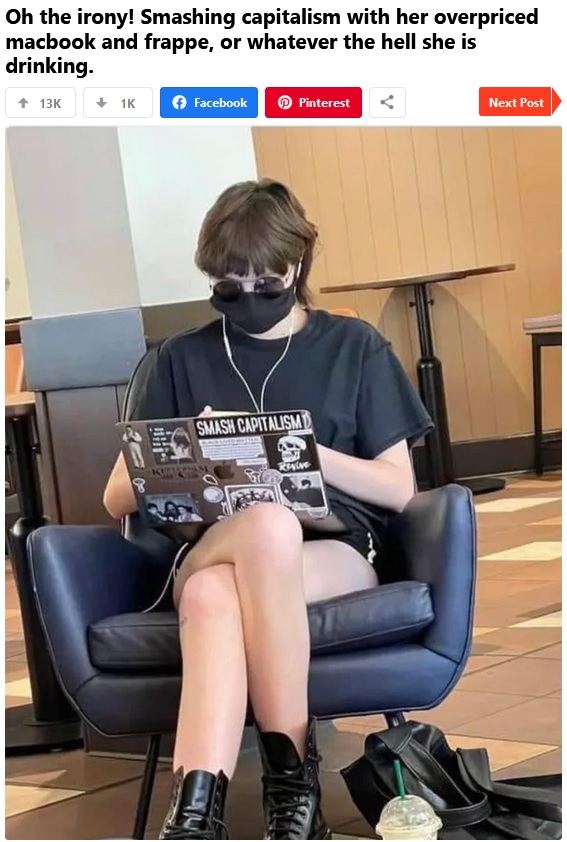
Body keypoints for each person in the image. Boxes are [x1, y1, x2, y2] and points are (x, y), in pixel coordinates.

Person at [103, 179, 433, 840]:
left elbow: (399, 488)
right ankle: (293, 790)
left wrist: (300, 454)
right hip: (213, 541)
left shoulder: (354, 347)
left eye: (266, 281)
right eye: (229, 286)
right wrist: (192, 451)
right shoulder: (179, 359)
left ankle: (193, 817)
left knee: (221, 589)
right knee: (264, 527)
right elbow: (116, 497)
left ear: (298, 263)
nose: (248, 297)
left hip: (335, 551)